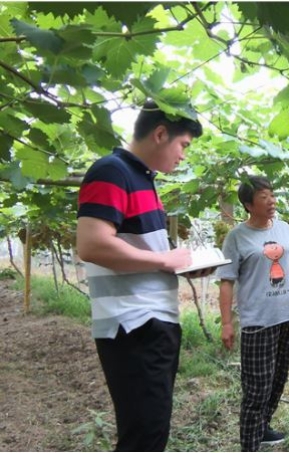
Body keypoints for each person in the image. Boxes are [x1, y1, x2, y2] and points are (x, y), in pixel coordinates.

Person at [76, 100, 208, 451]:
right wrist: (164, 260)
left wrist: (181, 264)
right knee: (144, 438)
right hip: (133, 326)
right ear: (160, 134)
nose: (183, 156)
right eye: (183, 145)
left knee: (150, 432)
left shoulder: (142, 180)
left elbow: (141, 252)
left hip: (149, 324)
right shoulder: (112, 171)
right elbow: (92, 244)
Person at [216, 175, 289, 452]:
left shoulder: (284, 228)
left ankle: (263, 427)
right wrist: (227, 323)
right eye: (264, 197)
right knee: (257, 388)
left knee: (278, 378)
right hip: (258, 321)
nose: (272, 201)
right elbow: (226, 281)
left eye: (272, 195)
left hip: (287, 315)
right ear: (248, 205)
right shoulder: (237, 237)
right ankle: (249, 445)